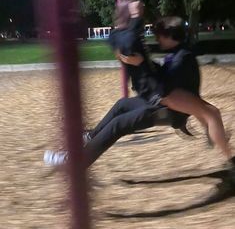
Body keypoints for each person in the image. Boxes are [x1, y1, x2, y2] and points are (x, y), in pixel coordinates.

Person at [44, 15, 235, 181]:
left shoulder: (182, 59)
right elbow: (164, 77)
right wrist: (144, 63)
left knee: (119, 124)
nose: (157, 38)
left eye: (159, 34)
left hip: (168, 111)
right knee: (122, 105)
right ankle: (90, 137)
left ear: (169, 36)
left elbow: (163, 88)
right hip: (164, 103)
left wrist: (142, 65)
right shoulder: (179, 54)